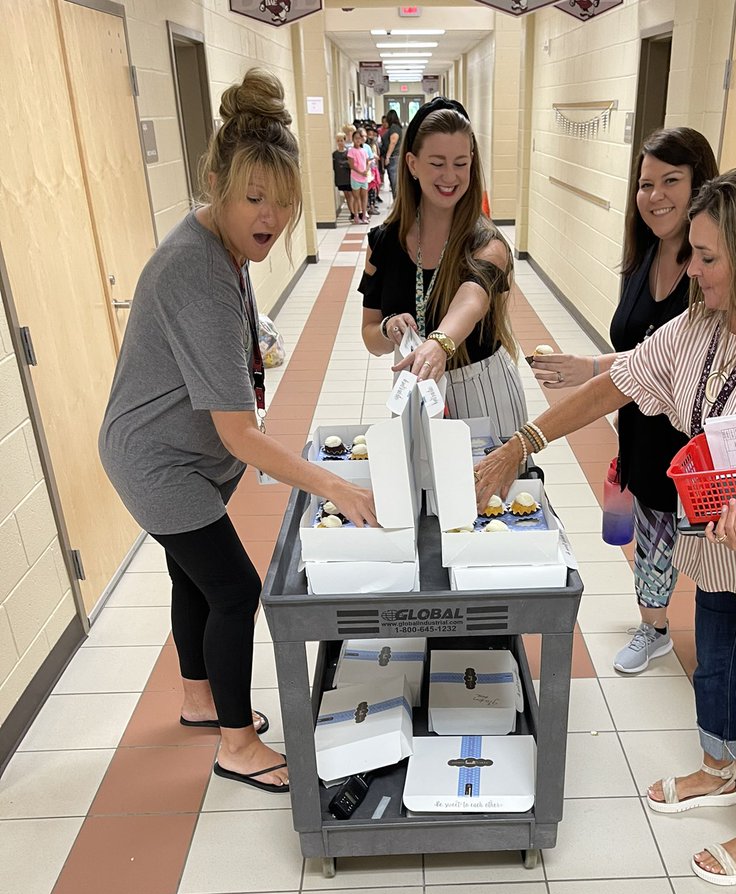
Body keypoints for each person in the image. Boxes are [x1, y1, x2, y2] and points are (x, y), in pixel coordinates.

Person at [475, 164, 736, 885]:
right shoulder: (700, 329)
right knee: (717, 669)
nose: (692, 271)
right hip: (721, 546)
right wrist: (523, 444)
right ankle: (718, 768)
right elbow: (615, 385)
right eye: (692, 254)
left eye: (707, 257)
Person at [99, 69, 377, 795]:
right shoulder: (195, 269)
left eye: (282, 202)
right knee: (234, 590)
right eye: (254, 199)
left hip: (172, 450)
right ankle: (236, 745)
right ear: (215, 183)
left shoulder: (217, 242)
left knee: (192, 576)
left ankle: (200, 700)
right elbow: (239, 435)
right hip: (160, 461)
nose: (270, 218)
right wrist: (332, 485)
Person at [531, 129, 718, 674]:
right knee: (653, 532)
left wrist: (593, 369)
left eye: (671, 181)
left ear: (700, 186)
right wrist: (591, 368)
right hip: (641, 423)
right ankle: (653, 628)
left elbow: (680, 356)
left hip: (696, 435)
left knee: (707, 544)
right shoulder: (644, 258)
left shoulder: (710, 268)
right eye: (645, 184)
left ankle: (722, 637)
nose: (654, 196)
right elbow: (643, 349)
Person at [359, 96, 527, 438]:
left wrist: (439, 343)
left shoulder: (488, 243)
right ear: (412, 164)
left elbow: (472, 299)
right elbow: (371, 337)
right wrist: (388, 327)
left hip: (483, 391)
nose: (450, 176)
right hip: (415, 393)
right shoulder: (383, 242)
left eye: (460, 163)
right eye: (437, 163)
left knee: (492, 475)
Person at [346, 128, 370, 224]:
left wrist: (366, 170)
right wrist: (361, 172)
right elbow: (352, 165)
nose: (358, 140)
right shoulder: (351, 151)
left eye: (360, 138)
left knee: (364, 197)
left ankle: (364, 215)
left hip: (364, 178)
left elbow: (367, 162)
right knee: (356, 198)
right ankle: (356, 216)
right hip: (355, 178)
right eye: (356, 138)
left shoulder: (364, 150)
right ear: (353, 139)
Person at [331, 131, 352, 221]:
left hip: (349, 177)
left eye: (341, 140)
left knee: (351, 195)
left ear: (344, 141)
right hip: (340, 178)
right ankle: (352, 212)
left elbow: (351, 164)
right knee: (346, 195)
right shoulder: (334, 154)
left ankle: (354, 212)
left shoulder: (348, 152)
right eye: (338, 141)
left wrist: (344, 164)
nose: (340, 142)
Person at [382, 109, 402, 196]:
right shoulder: (394, 128)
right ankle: (396, 200)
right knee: (393, 181)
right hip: (394, 157)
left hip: (393, 157)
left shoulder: (394, 128)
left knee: (394, 182)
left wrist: (387, 156)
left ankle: (396, 200)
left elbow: (393, 142)